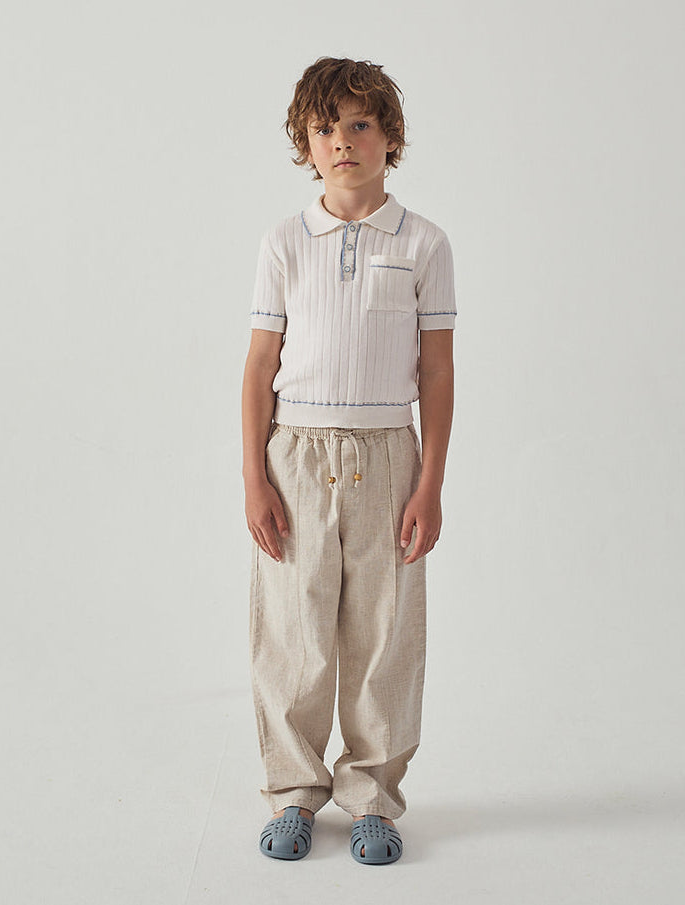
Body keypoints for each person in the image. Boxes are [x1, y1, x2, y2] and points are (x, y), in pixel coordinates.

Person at [241, 56, 456, 865]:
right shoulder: (285, 241)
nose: (342, 141)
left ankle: (371, 793)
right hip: (294, 454)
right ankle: (294, 792)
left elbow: (434, 371)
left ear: (389, 138)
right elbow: (258, 366)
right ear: (304, 140)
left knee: (383, 632)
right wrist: (253, 476)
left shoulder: (423, 242)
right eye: (325, 127)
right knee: (294, 633)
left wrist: (428, 483)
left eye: (359, 124)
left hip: (386, 457)